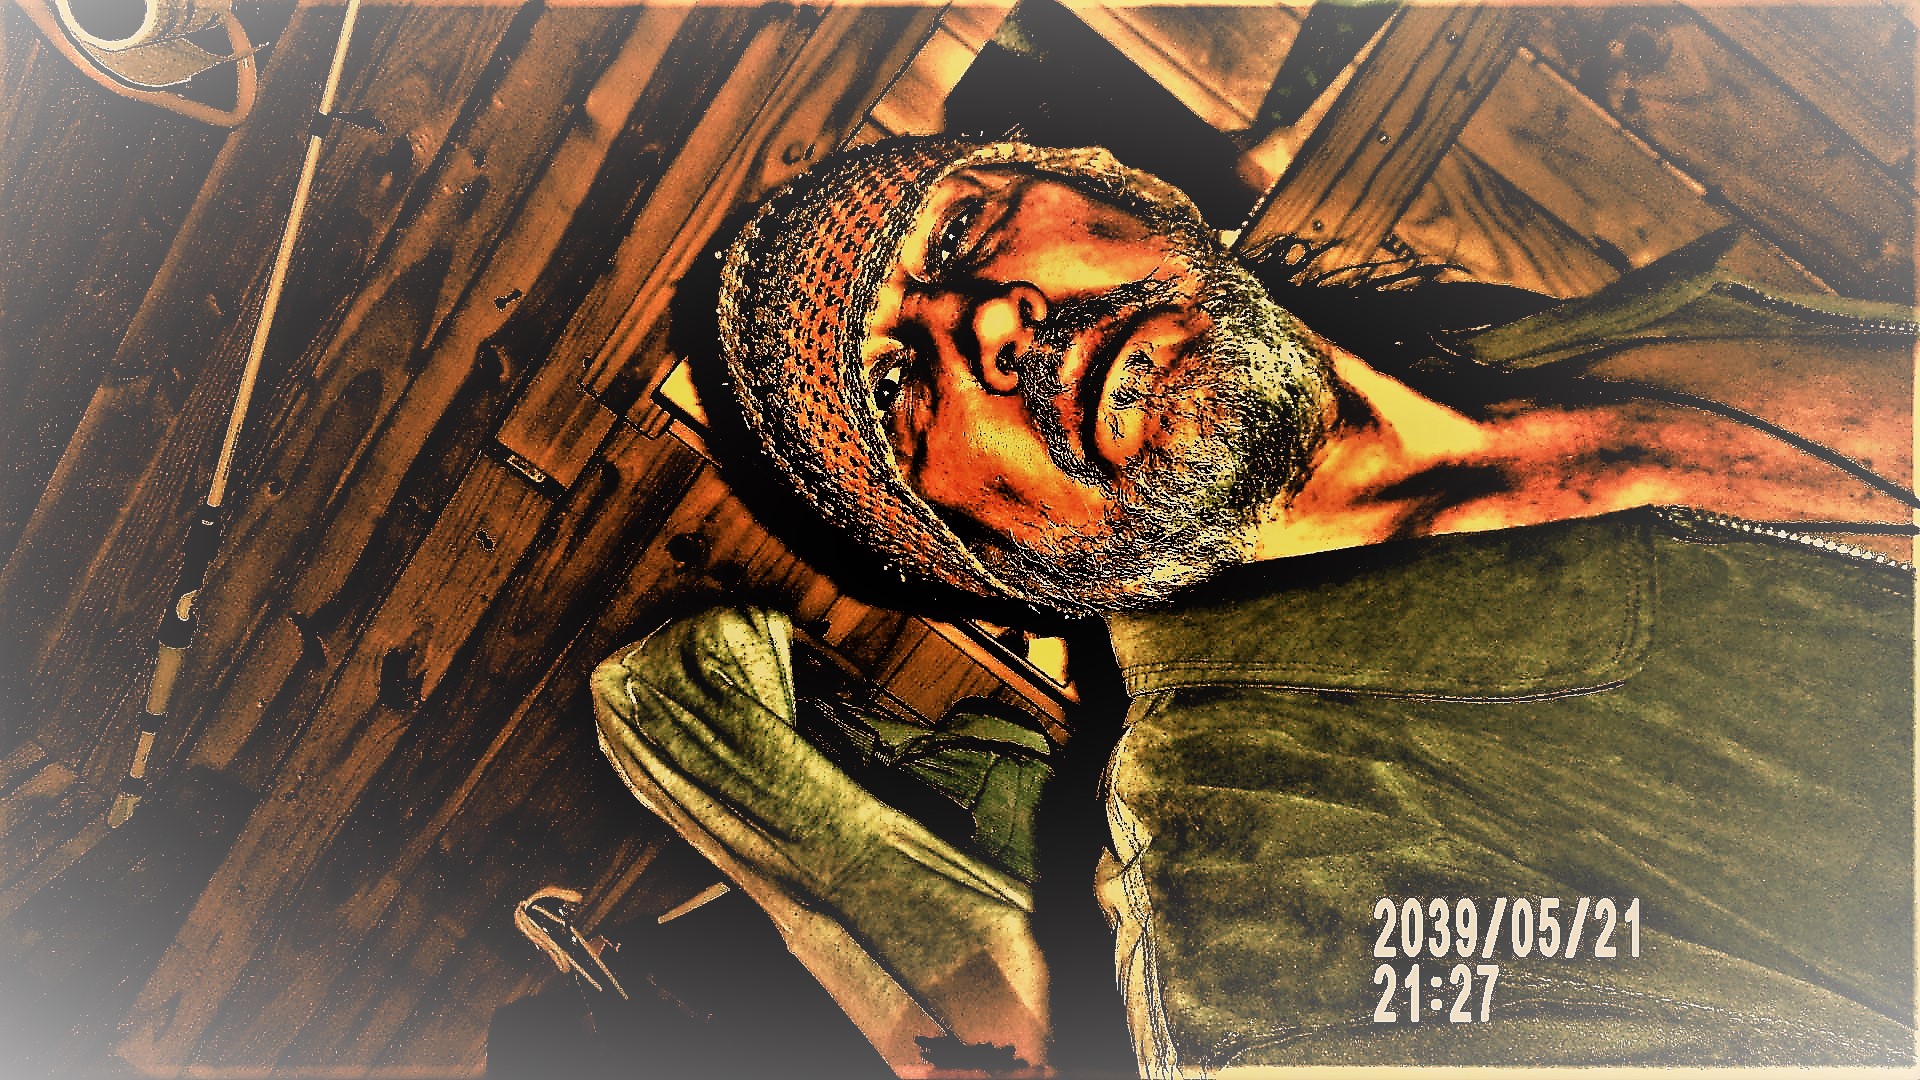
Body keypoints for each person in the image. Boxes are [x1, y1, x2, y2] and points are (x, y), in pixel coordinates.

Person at [592, 137, 1916, 1075]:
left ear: (1119, 185)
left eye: (954, 234)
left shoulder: (1592, 332)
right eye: (896, 390)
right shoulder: (1249, 869)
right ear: (980, 561)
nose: (985, 323)